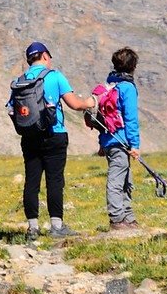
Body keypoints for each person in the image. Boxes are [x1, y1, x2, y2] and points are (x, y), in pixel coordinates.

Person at [8, 41, 97, 239]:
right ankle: (56, 226)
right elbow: (74, 104)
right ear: (46, 56)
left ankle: (32, 227)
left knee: (31, 181)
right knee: (54, 180)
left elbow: (12, 109)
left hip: (30, 137)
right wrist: (90, 103)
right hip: (54, 134)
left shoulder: (19, 81)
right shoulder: (55, 76)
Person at [96, 47, 141, 231]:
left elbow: (101, 117)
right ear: (133, 66)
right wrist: (135, 144)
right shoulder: (127, 88)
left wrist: (101, 143)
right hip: (121, 141)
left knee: (126, 179)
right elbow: (131, 119)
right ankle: (117, 219)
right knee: (117, 181)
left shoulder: (109, 86)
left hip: (109, 140)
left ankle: (128, 217)